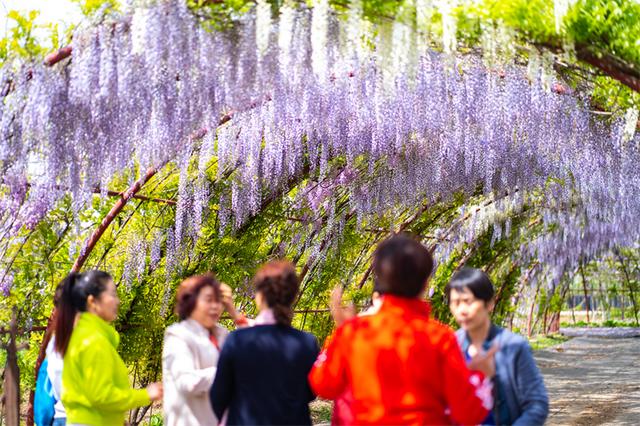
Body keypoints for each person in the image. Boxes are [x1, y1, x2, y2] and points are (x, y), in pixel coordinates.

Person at [309, 233, 496, 425]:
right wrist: (480, 375)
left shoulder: (354, 332)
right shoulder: (439, 337)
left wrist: (337, 336)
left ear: (380, 279)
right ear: (425, 284)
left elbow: (323, 384)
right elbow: (469, 414)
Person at [209, 260, 320, 425]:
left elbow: (219, 396)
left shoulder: (238, 340)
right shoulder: (307, 342)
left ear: (260, 296)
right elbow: (311, 393)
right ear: (292, 297)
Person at [56, 270, 163, 425]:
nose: (118, 301)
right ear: (92, 302)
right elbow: (103, 396)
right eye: (112, 294)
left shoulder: (82, 334)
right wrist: (145, 395)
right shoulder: (93, 340)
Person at [446, 267, 549, 425]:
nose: (461, 310)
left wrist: (493, 377)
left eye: (468, 302)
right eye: (455, 303)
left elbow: (537, 404)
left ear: (489, 303)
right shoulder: (450, 346)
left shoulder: (513, 347)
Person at [163, 274, 244, 425]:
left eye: (218, 301)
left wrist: (233, 312)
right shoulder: (178, 336)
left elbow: (254, 348)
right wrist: (225, 371)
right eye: (209, 300)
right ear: (191, 302)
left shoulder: (221, 334)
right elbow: (187, 382)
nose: (215, 306)